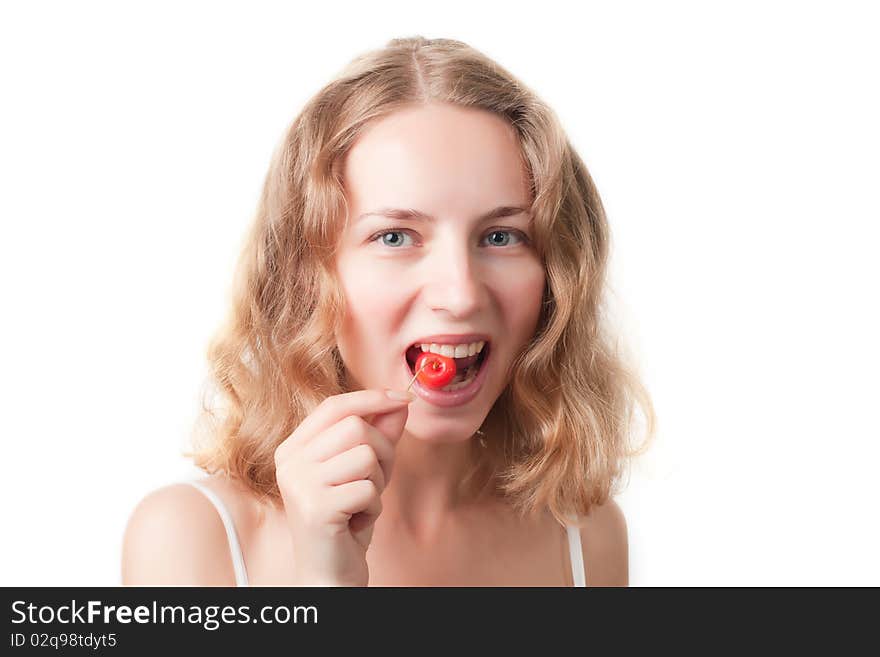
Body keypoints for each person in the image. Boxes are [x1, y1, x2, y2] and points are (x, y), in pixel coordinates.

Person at [121, 36, 655, 587]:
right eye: (395, 236)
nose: (461, 293)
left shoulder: (585, 537)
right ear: (308, 274)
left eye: (501, 235)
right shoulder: (191, 539)